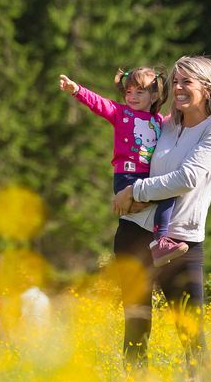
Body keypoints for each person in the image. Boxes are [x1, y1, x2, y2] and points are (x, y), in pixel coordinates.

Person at [110, 56, 211, 374]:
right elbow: (132, 144)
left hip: (180, 240)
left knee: (191, 333)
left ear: (207, 87)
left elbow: (187, 178)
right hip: (133, 233)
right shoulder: (166, 124)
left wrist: (134, 193)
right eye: (175, 81)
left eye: (186, 81)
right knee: (135, 326)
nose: (178, 87)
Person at [59, 68, 187, 266]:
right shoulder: (121, 113)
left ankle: (158, 243)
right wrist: (77, 90)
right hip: (127, 176)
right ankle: (160, 242)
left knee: (168, 194)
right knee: (165, 195)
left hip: (148, 177)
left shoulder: (159, 121)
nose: (132, 97)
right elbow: (99, 104)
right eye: (128, 92)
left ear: (154, 96)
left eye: (139, 92)